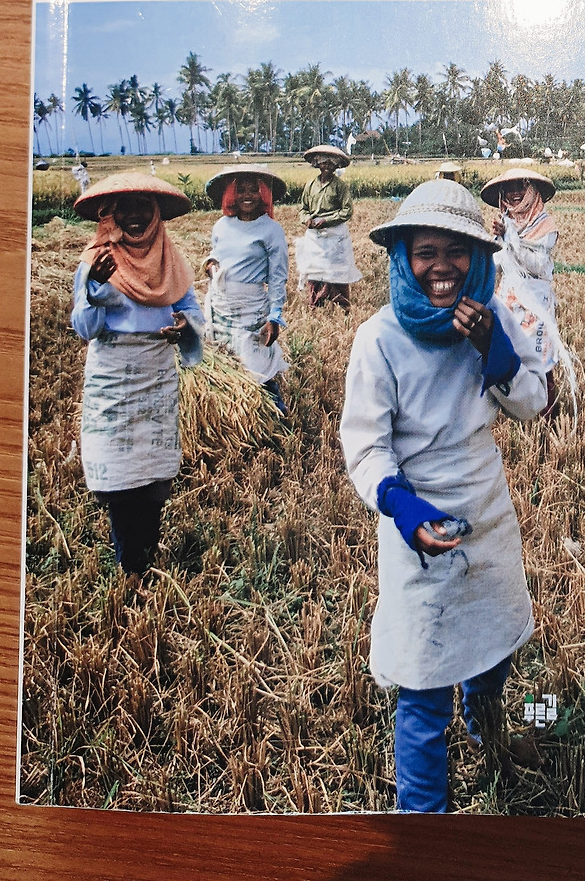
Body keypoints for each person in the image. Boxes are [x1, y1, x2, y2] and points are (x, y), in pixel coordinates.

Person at [339, 179, 548, 813]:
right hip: (417, 520)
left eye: (457, 251)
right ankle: (423, 816)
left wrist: (491, 348)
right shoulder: (379, 339)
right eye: (425, 252)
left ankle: (486, 723)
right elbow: (366, 447)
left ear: (479, 258)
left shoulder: (494, 318)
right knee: (424, 678)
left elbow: (532, 403)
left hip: (485, 505)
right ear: (402, 259)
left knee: (494, 641)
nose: (442, 267)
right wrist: (404, 510)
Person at [69, 173, 204, 579]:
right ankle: (131, 565)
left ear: (156, 213)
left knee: (154, 476)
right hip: (113, 378)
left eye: (143, 206)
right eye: (124, 207)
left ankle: (144, 551)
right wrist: (95, 288)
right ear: (110, 214)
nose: (134, 215)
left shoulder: (170, 259)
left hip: (156, 375)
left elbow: (190, 309)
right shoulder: (95, 261)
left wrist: (184, 327)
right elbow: (85, 328)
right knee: (120, 476)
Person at [481, 164, 576, 420]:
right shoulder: (506, 222)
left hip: (535, 302)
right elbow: (499, 261)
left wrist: (510, 237)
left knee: (539, 359)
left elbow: (538, 266)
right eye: (509, 188)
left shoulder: (545, 225)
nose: (514, 194)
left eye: (520, 187)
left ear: (532, 191)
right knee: (508, 354)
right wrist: (494, 243)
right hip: (509, 299)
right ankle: (511, 412)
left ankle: (546, 417)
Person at [204, 165, 290, 413]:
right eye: (241, 190)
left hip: (250, 308)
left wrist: (274, 316)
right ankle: (235, 416)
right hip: (220, 305)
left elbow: (277, 277)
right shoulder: (222, 225)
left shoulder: (271, 230)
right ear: (232, 194)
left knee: (255, 364)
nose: (247, 196)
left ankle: (276, 415)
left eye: (254, 190)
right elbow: (215, 255)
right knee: (225, 361)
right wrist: (210, 266)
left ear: (263, 194)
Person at [295, 145, 361, 311]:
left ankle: (341, 304)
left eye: (331, 163)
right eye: (324, 162)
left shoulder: (340, 186)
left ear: (336, 166)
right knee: (314, 269)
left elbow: (347, 211)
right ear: (317, 163)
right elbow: (303, 209)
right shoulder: (310, 185)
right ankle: (316, 302)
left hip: (335, 234)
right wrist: (307, 220)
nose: (327, 166)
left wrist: (326, 220)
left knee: (337, 271)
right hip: (314, 236)